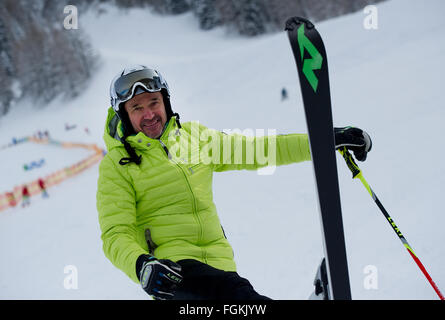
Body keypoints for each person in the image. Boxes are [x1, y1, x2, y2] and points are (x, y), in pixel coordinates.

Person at [96, 65, 372, 300]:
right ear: (124, 114)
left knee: (233, 292)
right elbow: (115, 234)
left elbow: (262, 149)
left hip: (221, 266)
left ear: (165, 102)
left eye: (154, 102)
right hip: (174, 274)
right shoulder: (118, 165)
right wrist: (142, 265)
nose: (149, 114)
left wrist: (324, 139)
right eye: (137, 108)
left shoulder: (195, 139)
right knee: (238, 295)